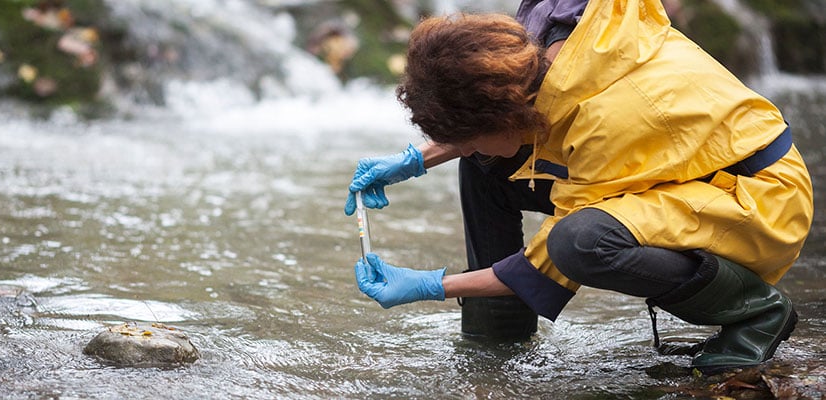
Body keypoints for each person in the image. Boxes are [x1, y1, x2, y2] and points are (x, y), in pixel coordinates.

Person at [344, 0, 814, 375]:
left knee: (582, 242)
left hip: (755, 196)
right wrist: (413, 160)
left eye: (466, 135)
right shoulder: (540, 39)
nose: (459, 146)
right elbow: (500, 128)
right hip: (685, 166)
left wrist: (431, 286)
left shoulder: (604, 123)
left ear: (507, 114)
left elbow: (550, 262)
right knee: (484, 164)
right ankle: (499, 334)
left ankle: (754, 312)